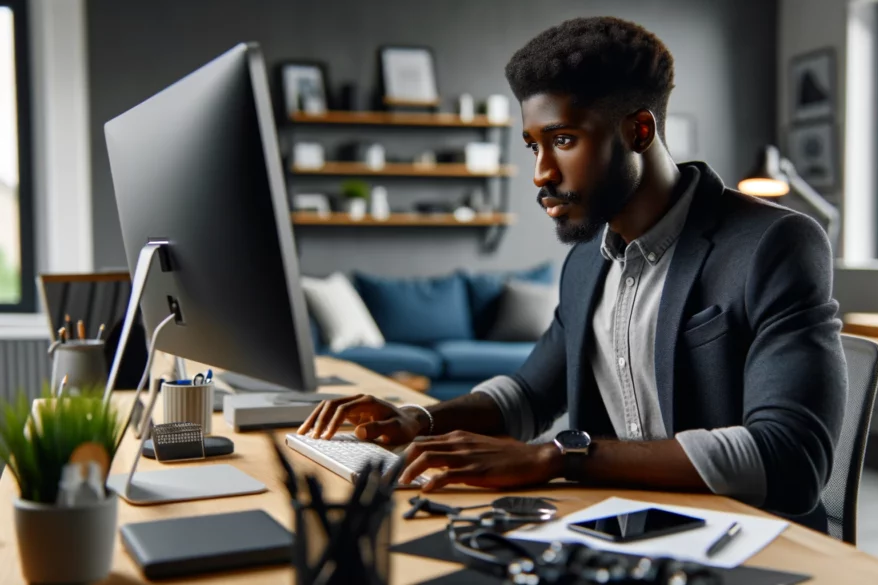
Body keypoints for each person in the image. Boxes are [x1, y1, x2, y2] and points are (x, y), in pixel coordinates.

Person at [299, 16, 847, 531]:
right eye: (534, 145)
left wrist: (557, 456)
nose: (541, 172)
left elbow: (792, 457)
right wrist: (420, 419)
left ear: (637, 129)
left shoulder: (774, 243)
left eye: (563, 140)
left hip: (747, 543)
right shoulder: (586, 259)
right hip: (618, 532)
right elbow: (529, 395)